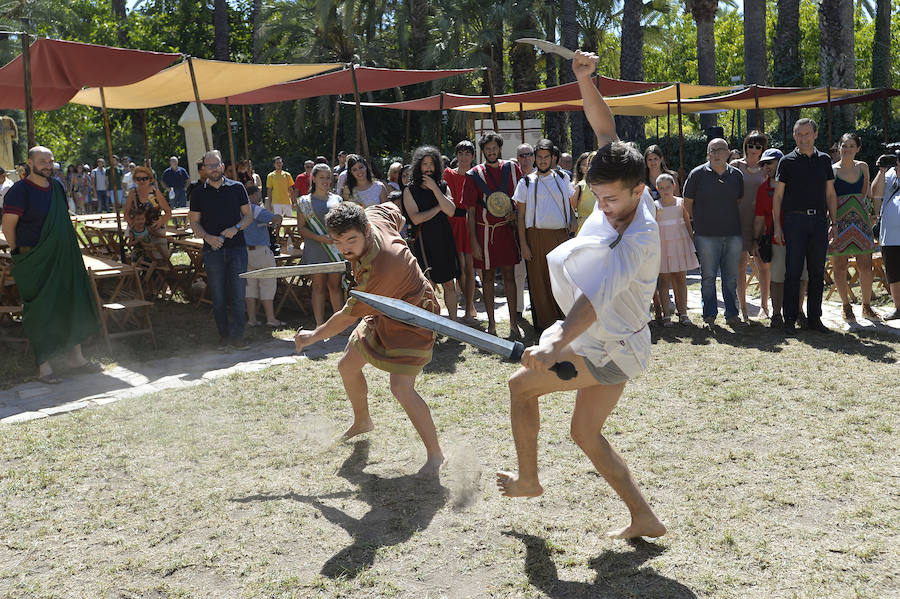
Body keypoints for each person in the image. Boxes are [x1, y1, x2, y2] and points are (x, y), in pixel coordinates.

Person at [496, 50, 666, 541]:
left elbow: (597, 298)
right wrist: (585, 81)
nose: (605, 208)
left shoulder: (638, 239)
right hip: (612, 340)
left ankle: (529, 480)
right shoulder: (626, 177)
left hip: (610, 343)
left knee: (520, 387)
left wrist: (553, 344)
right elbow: (606, 129)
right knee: (584, 434)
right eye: (599, 198)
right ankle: (644, 517)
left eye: (612, 200)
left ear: (639, 191)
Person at [294, 201, 445, 478]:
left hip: (412, 316)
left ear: (366, 230)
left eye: (351, 240)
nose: (345, 248)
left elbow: (346, 316)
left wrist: (313, 336)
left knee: (401, 387)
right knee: (347, 366)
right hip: (381, 310)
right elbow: (393, 211)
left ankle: (436, 455)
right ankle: (362, 421)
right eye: (338, 241)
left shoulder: (382, 269)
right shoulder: (373, 215)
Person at [1, 146, 101, 384]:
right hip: (34, 259)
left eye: (50, 161)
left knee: (70, 302)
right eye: (42, 161)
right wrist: (19, 253)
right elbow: (8, 226)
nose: (47, 165)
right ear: (29, 163)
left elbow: (62, 223)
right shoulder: (19, 191)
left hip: (63, 257)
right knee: (40, 310)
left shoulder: (56, 186)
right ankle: (44, 367)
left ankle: (76, 358)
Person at [772, 118, 838, 334]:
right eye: (799, 134)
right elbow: (778, 197)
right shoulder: (787, 161)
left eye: (807, 134)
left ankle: (815, 320)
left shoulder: (825, 160)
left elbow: (830, 193)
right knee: (792, 271)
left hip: (819, 221)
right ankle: (789, 319)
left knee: (817, 272)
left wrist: (834, 223)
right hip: (794, 221)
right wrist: (777, 227)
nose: (803, 138)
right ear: (794, 136)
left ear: (815, 135)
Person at [189, 150, 253, 349]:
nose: (213, 168)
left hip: (237, 249)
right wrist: (207, 237)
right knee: (217, 296)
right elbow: (194, 223)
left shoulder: (237, 188)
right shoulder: (198, 192)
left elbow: (248, 216)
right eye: (209, 165)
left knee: (238, 295)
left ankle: (238, 338)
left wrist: (236, 228)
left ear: (223, 166)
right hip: (212, 250)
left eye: (216, 164)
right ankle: (224, 337)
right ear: (203, 169)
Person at [515, 138, 577, 331]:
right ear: (535, 158)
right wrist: (524, 244)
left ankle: (565, 322)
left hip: (560, 236)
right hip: (536, 237)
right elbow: (521, 215)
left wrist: (573, 219)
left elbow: (569, 204)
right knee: (539, 282)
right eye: (539, 157)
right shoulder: (526, 182)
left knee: (561, 280)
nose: (542, 161)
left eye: (546, 157)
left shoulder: (563, 178)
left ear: (553, 158)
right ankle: (545, 325)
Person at [465, 133, 522, 337]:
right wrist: (474, 241)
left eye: (494, 148)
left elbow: (520, 199)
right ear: (483, 151)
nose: (491, 151)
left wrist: (515, 214)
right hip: (484, 232)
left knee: (509, 275)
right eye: (487, 148)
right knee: (487, 277)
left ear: (499, 149)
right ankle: (491, 324)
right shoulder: (474, 174)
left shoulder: (513, 169)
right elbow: (470, 212)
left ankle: (514, 324)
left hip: (506, 231)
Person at [683, 138, 745, 327]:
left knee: (730, 276)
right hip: (706, 235)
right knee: (708, 276)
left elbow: (739, 201)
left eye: (721, 149)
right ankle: (709, 315)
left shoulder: (736, 175)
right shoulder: (697, 175)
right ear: (708, 153)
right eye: (713, 150)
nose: (717, 153)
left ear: (728, 153)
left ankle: (732, 314)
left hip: (732, 233)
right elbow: (687, 203)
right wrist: (701, 222)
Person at [753, 149, 808, 328]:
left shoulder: (796, 183)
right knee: (777, 279)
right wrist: (755, 240)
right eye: (763, 164)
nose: (766, 167)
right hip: (776, 239)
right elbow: (760, 218)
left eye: (770, 163)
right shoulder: (763, 188)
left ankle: (799, 312)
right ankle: (776, 315)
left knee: (801, 277)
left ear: (781, 162)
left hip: (799, 236)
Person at [404, 146, 461, 319]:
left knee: (449, 285)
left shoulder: (443, 186)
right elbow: (416, 219)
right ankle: (430, 327)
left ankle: (453, 323)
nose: (428, 168)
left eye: (431, 164)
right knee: (427, 287)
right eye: (424, 164)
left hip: (443, 239)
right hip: (423, 242)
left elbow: (451, 210)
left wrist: (435, 189)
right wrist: (438, 207)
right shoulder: (410, 190)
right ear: (418, 166)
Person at [828, 132, 878, 322]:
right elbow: (829, 197)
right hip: (838, 220)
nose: (847, 149)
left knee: (866, 265)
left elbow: (865, 192)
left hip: (861, 220)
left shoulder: (863, 167)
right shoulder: (831, 170)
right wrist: (834, 222)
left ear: (858, 148)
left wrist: (858, 211)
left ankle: (866, 306)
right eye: (844, 145)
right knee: (839, 266)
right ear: (838, 147)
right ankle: (846, 306)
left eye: (851, 146)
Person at [297, 163, 344, 327]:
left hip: (335, 249)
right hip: (316, 249)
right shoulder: (304, 201)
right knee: (318, 287)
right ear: (314, 178)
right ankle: (319, 325)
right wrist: (320, 238)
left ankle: (338, 325)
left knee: (336, 286)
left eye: (328, 177)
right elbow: (301, 228)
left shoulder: (337, 199)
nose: (325, 181)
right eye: (321, 177)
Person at [730, 132, 769, 321]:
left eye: (758, 146)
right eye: (750, 146)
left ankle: (764, 306)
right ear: (745, 146)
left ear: (763, 149)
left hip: (761, 221)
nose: (754, 150)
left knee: (763, 264)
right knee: (740, 265)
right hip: (738, 220)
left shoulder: (766, 167)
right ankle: (743, 307)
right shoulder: (736, 166)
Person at [655, 173, 698, 326]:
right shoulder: (656, 206)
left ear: (673, 186)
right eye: (661, 188)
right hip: (663, 246)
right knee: (664, 280)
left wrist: (692, 242)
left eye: (668, 187)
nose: (665, 190)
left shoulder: (681, 203)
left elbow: (687, 223)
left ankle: (683, 313)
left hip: (680, 244)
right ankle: (666, 314)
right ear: (657, 189)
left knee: (680, 278)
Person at [443, 141, 478, 322]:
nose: (464, 158)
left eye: (467, 154)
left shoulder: (477, 175)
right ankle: (462, 306)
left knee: (469, 268)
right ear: (456, 156)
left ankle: (469, 306)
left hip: (470, 223)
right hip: (452, 223)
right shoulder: (448, 174)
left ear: (473, 156)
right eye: (461, 154)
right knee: (459, 268)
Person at [243, 184, 284, 327]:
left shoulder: (237, 209)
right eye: (258, 195)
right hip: (261, 251)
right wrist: (277, 217)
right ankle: (271, 318)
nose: (260, 197)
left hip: (245, 252)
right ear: (253, 195)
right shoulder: (255, 209)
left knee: (250, 286)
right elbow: (276, 219)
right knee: (268, 284)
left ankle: (252, 319)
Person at [870, 153, 900, 320]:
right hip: (890, 235)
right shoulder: (889, 174)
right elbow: (875, 193)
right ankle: (898, 308)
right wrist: (882, 170)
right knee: (894, 273)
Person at [123, 166, 172, 259]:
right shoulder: (132, 193)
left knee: (161, 258)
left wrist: (160, 222)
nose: (142, 181)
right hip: (140, 233)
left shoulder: (155, 193)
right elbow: (126, 214)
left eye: (145, 178)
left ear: (150, 179)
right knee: (141, 259)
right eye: (139, 179)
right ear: (135, 180)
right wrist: (133, 225)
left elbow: (168, 212)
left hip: (156, 230)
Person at [572, 151, 597, 232]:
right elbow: (570, 212)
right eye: (590, 164)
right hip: (583, 231)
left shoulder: (608, 188)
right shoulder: (579, 188)